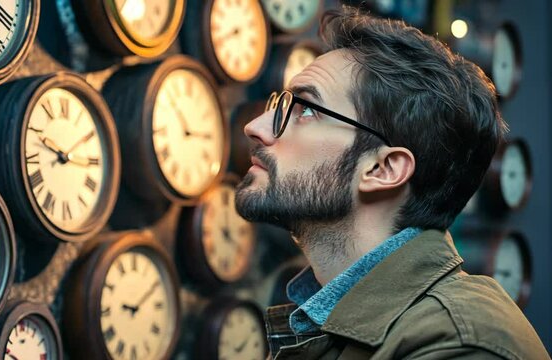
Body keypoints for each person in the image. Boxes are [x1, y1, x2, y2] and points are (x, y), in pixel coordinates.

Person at [234, 5, 549, 360]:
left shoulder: (459, 346)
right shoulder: (329, 319)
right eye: (281, 104)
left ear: (383, 169)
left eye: (305, 110)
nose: (256, 127)